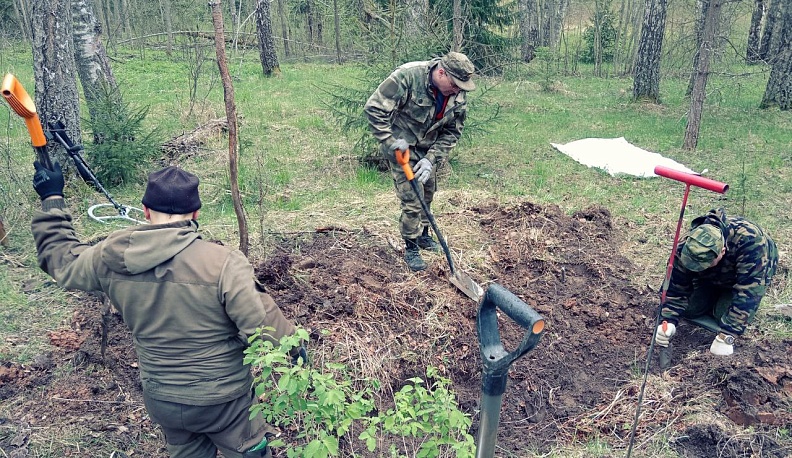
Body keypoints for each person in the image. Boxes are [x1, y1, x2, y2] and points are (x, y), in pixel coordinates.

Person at [31, 161, 305, 458]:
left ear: (146, 211)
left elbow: (61, 262)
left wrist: (52, 197)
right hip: (223, 402)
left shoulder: (108, 256)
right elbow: (266, 327)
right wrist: (298, 352)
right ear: (196, 214)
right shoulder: (223, 263)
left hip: (163, 399)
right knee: (251, 452)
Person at [364, 51, 475, 271]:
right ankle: (411, 246)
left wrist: (431, 158)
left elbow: (452, 132)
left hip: (428, 148)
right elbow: (374, 108)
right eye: (455, 84)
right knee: (413, 199)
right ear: (441, 73)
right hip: (401, 146)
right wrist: (389, 141)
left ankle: (424, 234)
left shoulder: (457, 94)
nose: (458, 90)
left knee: (428, 192)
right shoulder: (408, 76)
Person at [655, 208, 778, 356]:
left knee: (722, 315)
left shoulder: (751, 243)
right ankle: (710, 293)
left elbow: (749, 291)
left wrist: (726, 336)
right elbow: (675, 286)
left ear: (722, 251)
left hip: (744, 277)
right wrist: (668, 321)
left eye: (703, 264)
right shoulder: (688, 245)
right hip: (710, 278)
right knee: (689, 310)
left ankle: (720, 298)